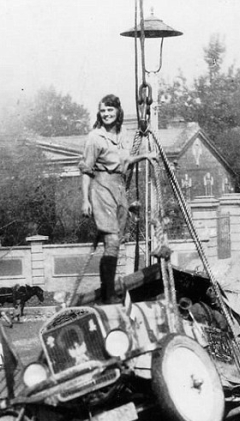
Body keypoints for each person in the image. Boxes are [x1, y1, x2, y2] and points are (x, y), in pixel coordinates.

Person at [79, 94, 147, 303]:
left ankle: (108, 290)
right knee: (112, 240)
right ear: (99, 113)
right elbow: (86, 170)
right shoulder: (95, 138)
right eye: (103, 111)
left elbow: (125, 161)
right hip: (101, 188)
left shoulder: (124, 134)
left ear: (118, 111)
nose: (107, 114)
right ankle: (108, 294)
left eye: (110, 110)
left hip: (119, 188)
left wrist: (145, 156)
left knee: (116, 242)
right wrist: (85, 200)